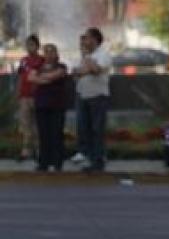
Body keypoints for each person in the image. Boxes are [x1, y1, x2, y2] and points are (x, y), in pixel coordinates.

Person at [72, 27, 111, 172]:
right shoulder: (84, 56)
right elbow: (76, 72)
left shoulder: (103, 54)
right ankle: (90, 158)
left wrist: (87, 61)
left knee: (97, 129)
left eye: (86, 37)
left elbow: (96, 70)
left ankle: (98, 160)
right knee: (84, 128)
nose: (84, 40)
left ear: (95, 39)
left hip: (98, 96)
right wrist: (83, 68)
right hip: (83, 95)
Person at [30, 44, 69, 172]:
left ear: (56, 53)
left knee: (56, 134)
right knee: (43, 134)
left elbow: (55, 76)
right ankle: (44, 163)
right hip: (41, 105)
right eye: (46, 52)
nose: (49, 54)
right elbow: (31, 77)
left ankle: (57, 163)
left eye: (52, 51)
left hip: (57, 105)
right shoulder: (38, 67)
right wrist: (44, 78)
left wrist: (41, 78)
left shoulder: (62, 66)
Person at [16, 34, 43, 163]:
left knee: (37, 124)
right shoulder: (23, 60)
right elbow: (21, 76)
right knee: (25, 124)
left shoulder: (41, 61)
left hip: (37, 96)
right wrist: (19, 92)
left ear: (37, 46)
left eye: (32, 44)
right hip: (24, 96)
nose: (29, 47)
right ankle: (26, 151)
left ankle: (39, 150)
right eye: (27, 45)